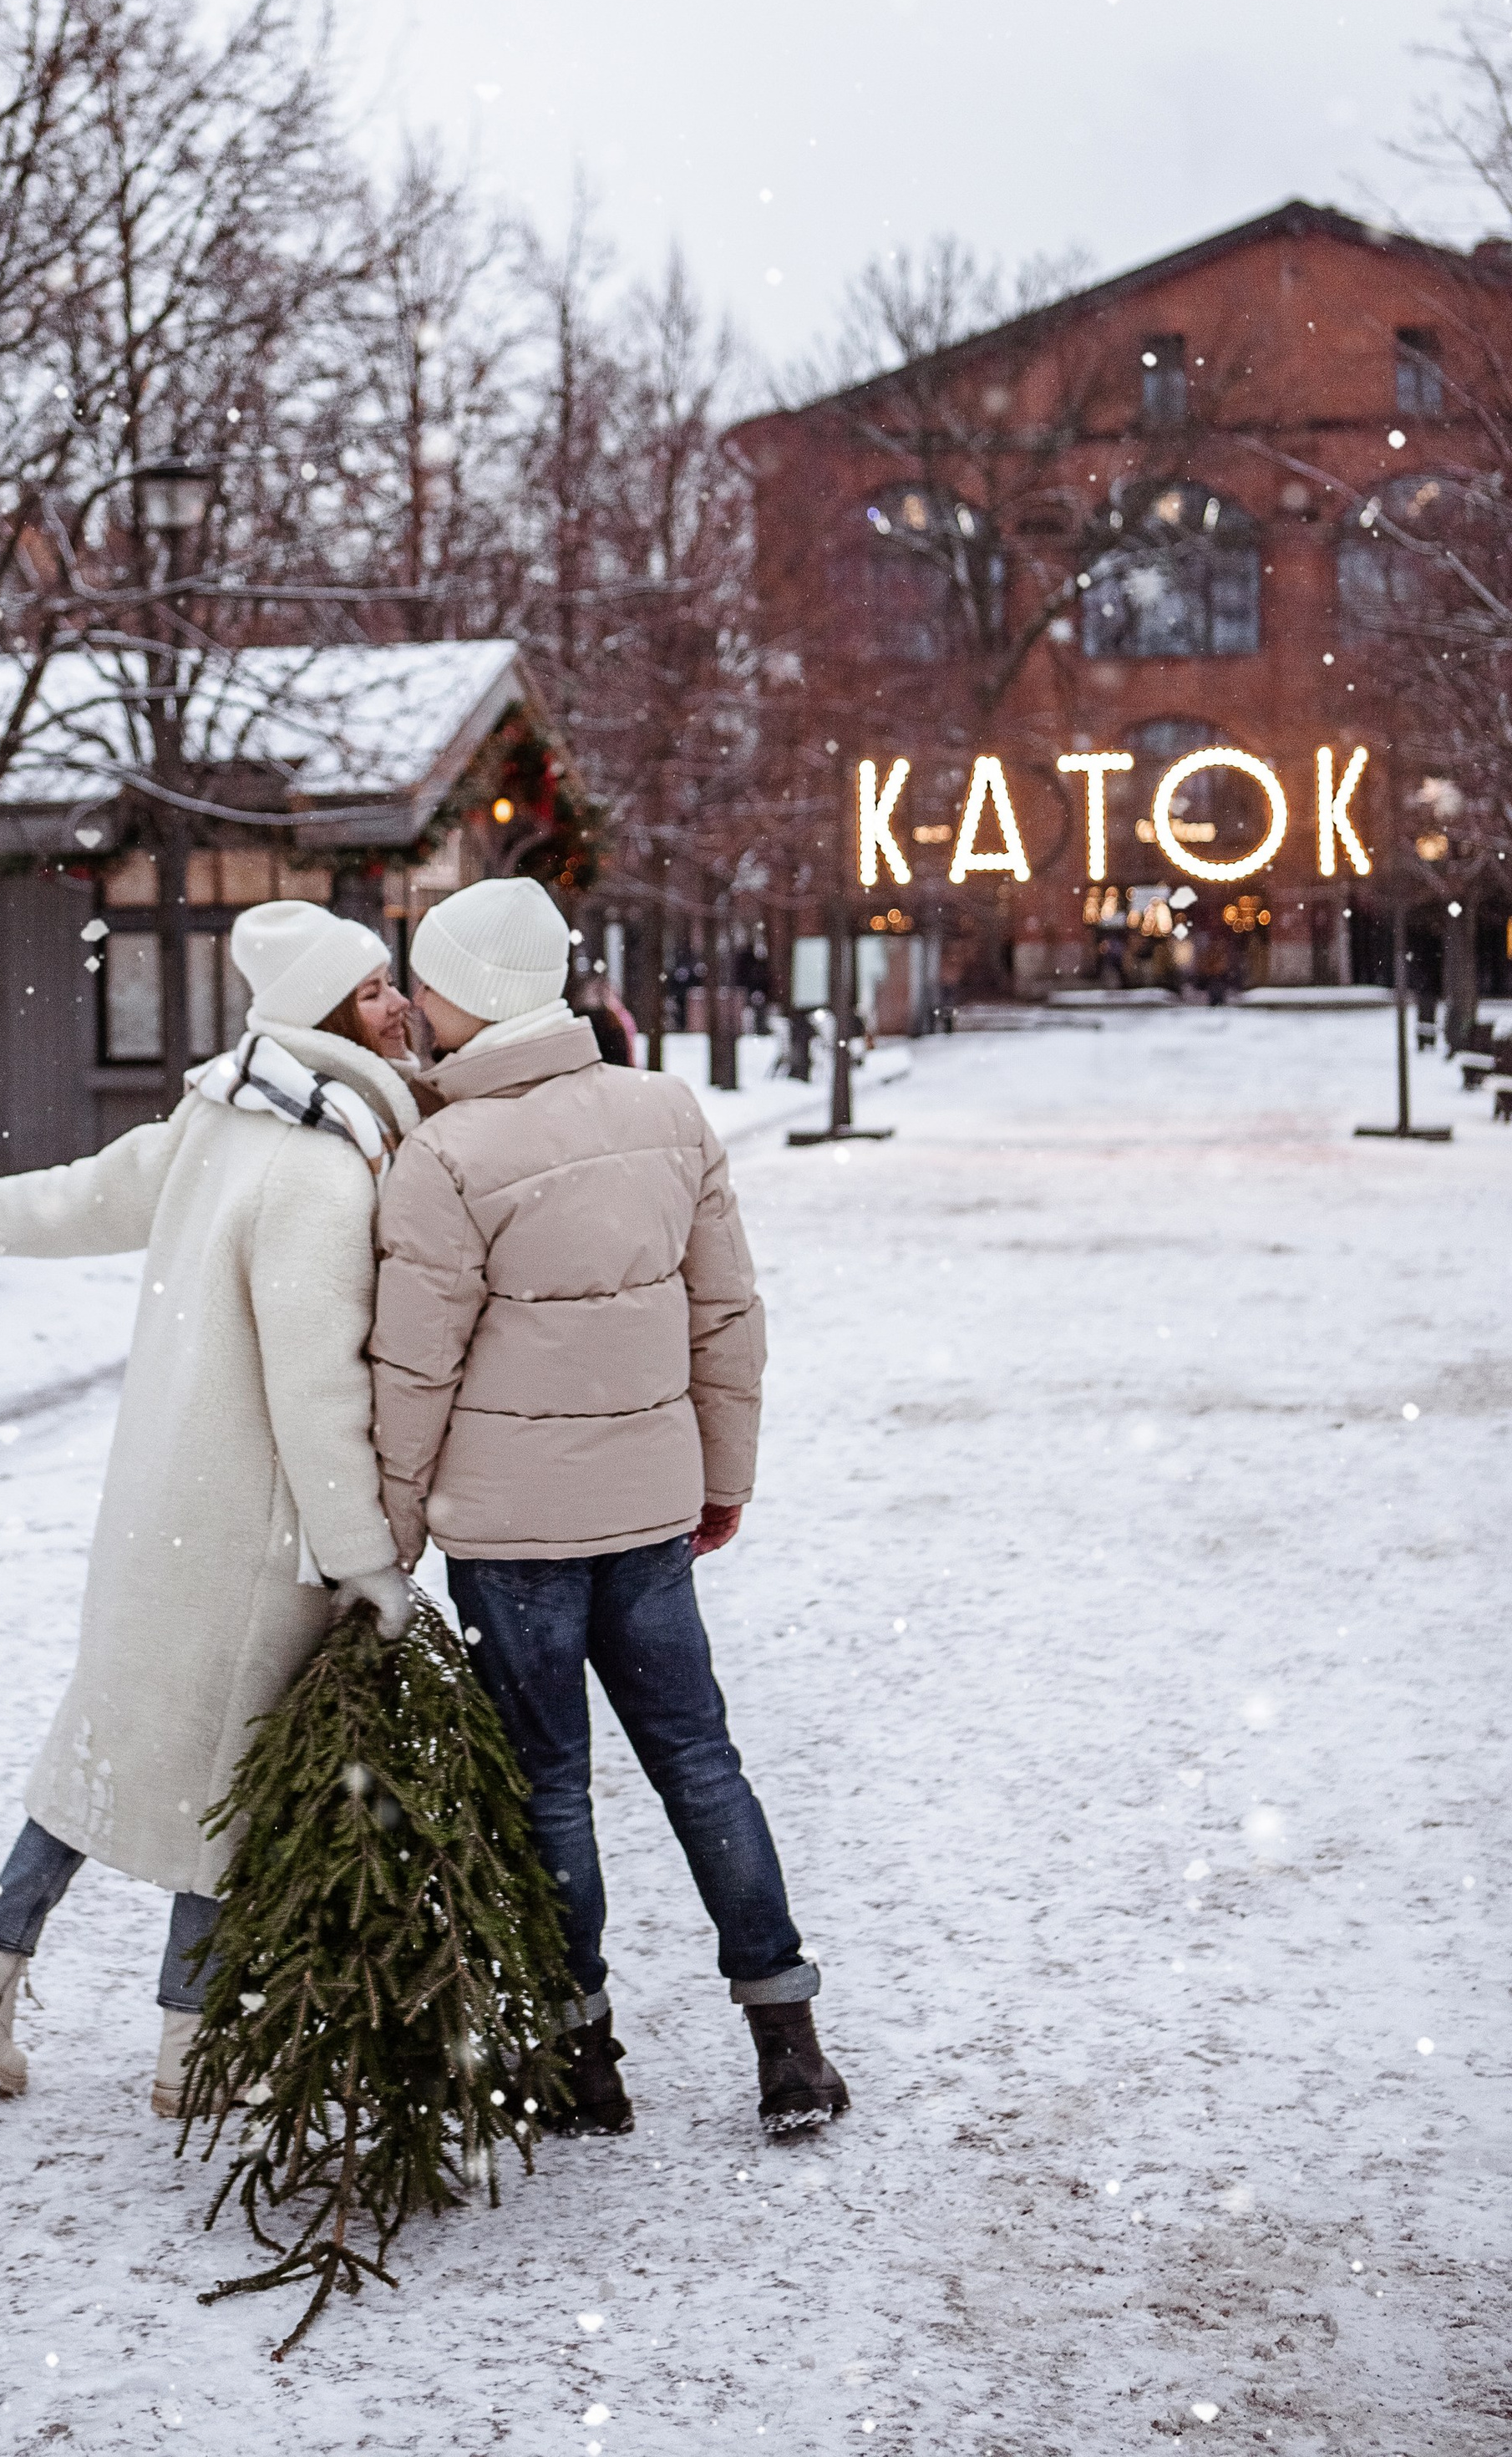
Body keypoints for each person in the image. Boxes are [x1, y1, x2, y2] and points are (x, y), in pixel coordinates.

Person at [0, 902, 419, 2116]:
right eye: (381, 989)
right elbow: (316, 1388)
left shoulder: (225, 1117)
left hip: (163, 1508)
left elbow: (88, 1197)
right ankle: (195, 2045)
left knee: (121, 1734)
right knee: (230, 1776)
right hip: (257, 1533)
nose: (400, 1007)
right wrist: (364, 1558)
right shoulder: (320, 1164)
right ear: (336, 1013)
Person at [370, 874, 847, 2140]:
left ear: (470, 994)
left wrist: (389, 1534)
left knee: (549, 1791)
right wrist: (723, 1477)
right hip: (649, 1513)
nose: (413, 1003)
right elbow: (727, 1317)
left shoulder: (443, 1157)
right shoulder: (664, 1112)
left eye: (424, 980)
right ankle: (789, 2043)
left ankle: (584, 2062)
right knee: (701, 1764)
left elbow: (411, 1372)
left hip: (509, 1536)